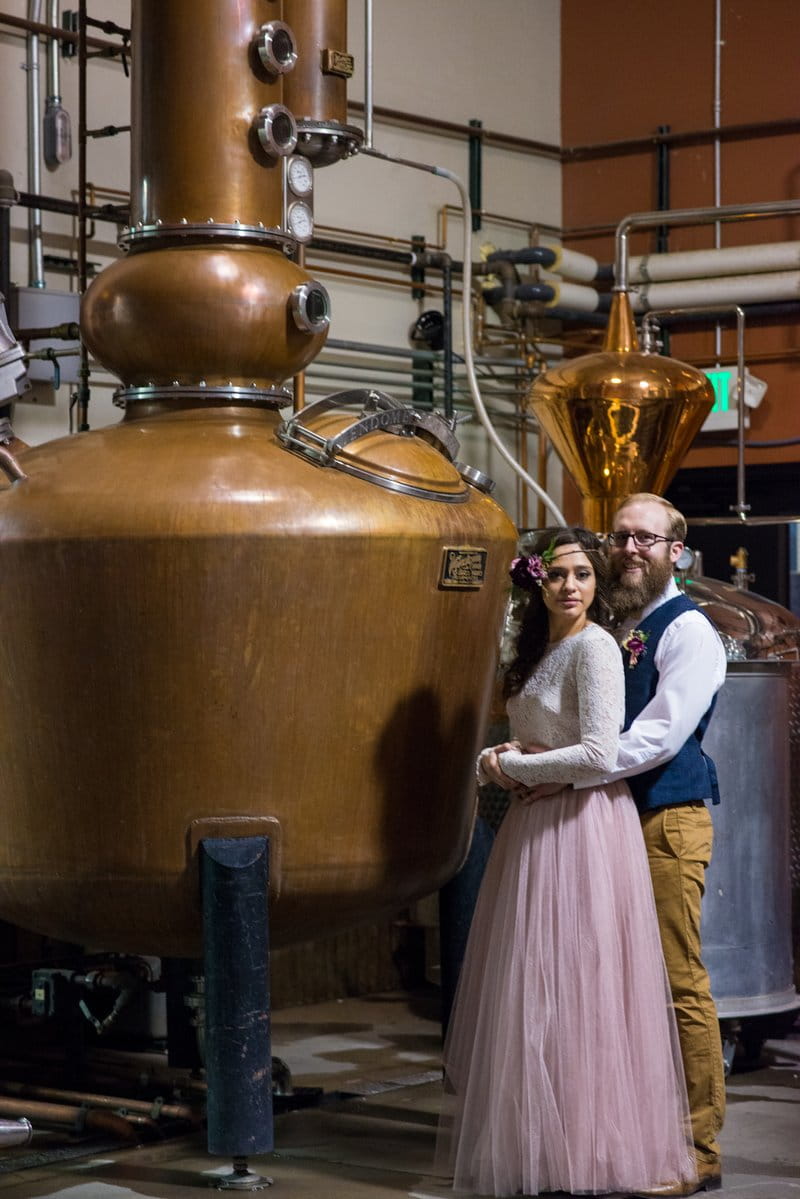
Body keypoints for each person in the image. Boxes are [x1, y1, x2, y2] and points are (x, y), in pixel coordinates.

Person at [435, 527, 696, 1199]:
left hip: (582, 828)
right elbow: (542, 736)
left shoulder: (597, 647)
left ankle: (590, 1147)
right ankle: (542, 1146)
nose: (571, 585)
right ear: (537, 582)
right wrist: (499, 760)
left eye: (582, 573)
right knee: (536, 989)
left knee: (580, 985)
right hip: (534, 823)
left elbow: (599, 753)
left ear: (596, 583)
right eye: (557, 574)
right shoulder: (539, 650)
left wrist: (512, 765)